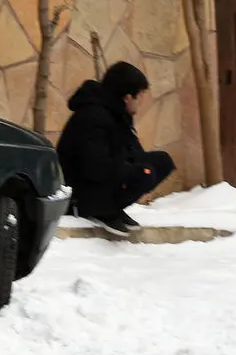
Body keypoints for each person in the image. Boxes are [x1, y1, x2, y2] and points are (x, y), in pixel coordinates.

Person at [56, 61, 176, 237]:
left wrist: (140, 167)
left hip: (102, 179)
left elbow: (133, 152)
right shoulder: (92, 116)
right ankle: (103, 210)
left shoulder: (118, 115)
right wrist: (135, 171)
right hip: (80, 193)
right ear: (127, 97)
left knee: (161, 162)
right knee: (144, 173)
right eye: (140, 96)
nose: (141, 102)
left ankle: (112, 208)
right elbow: (94, 167)